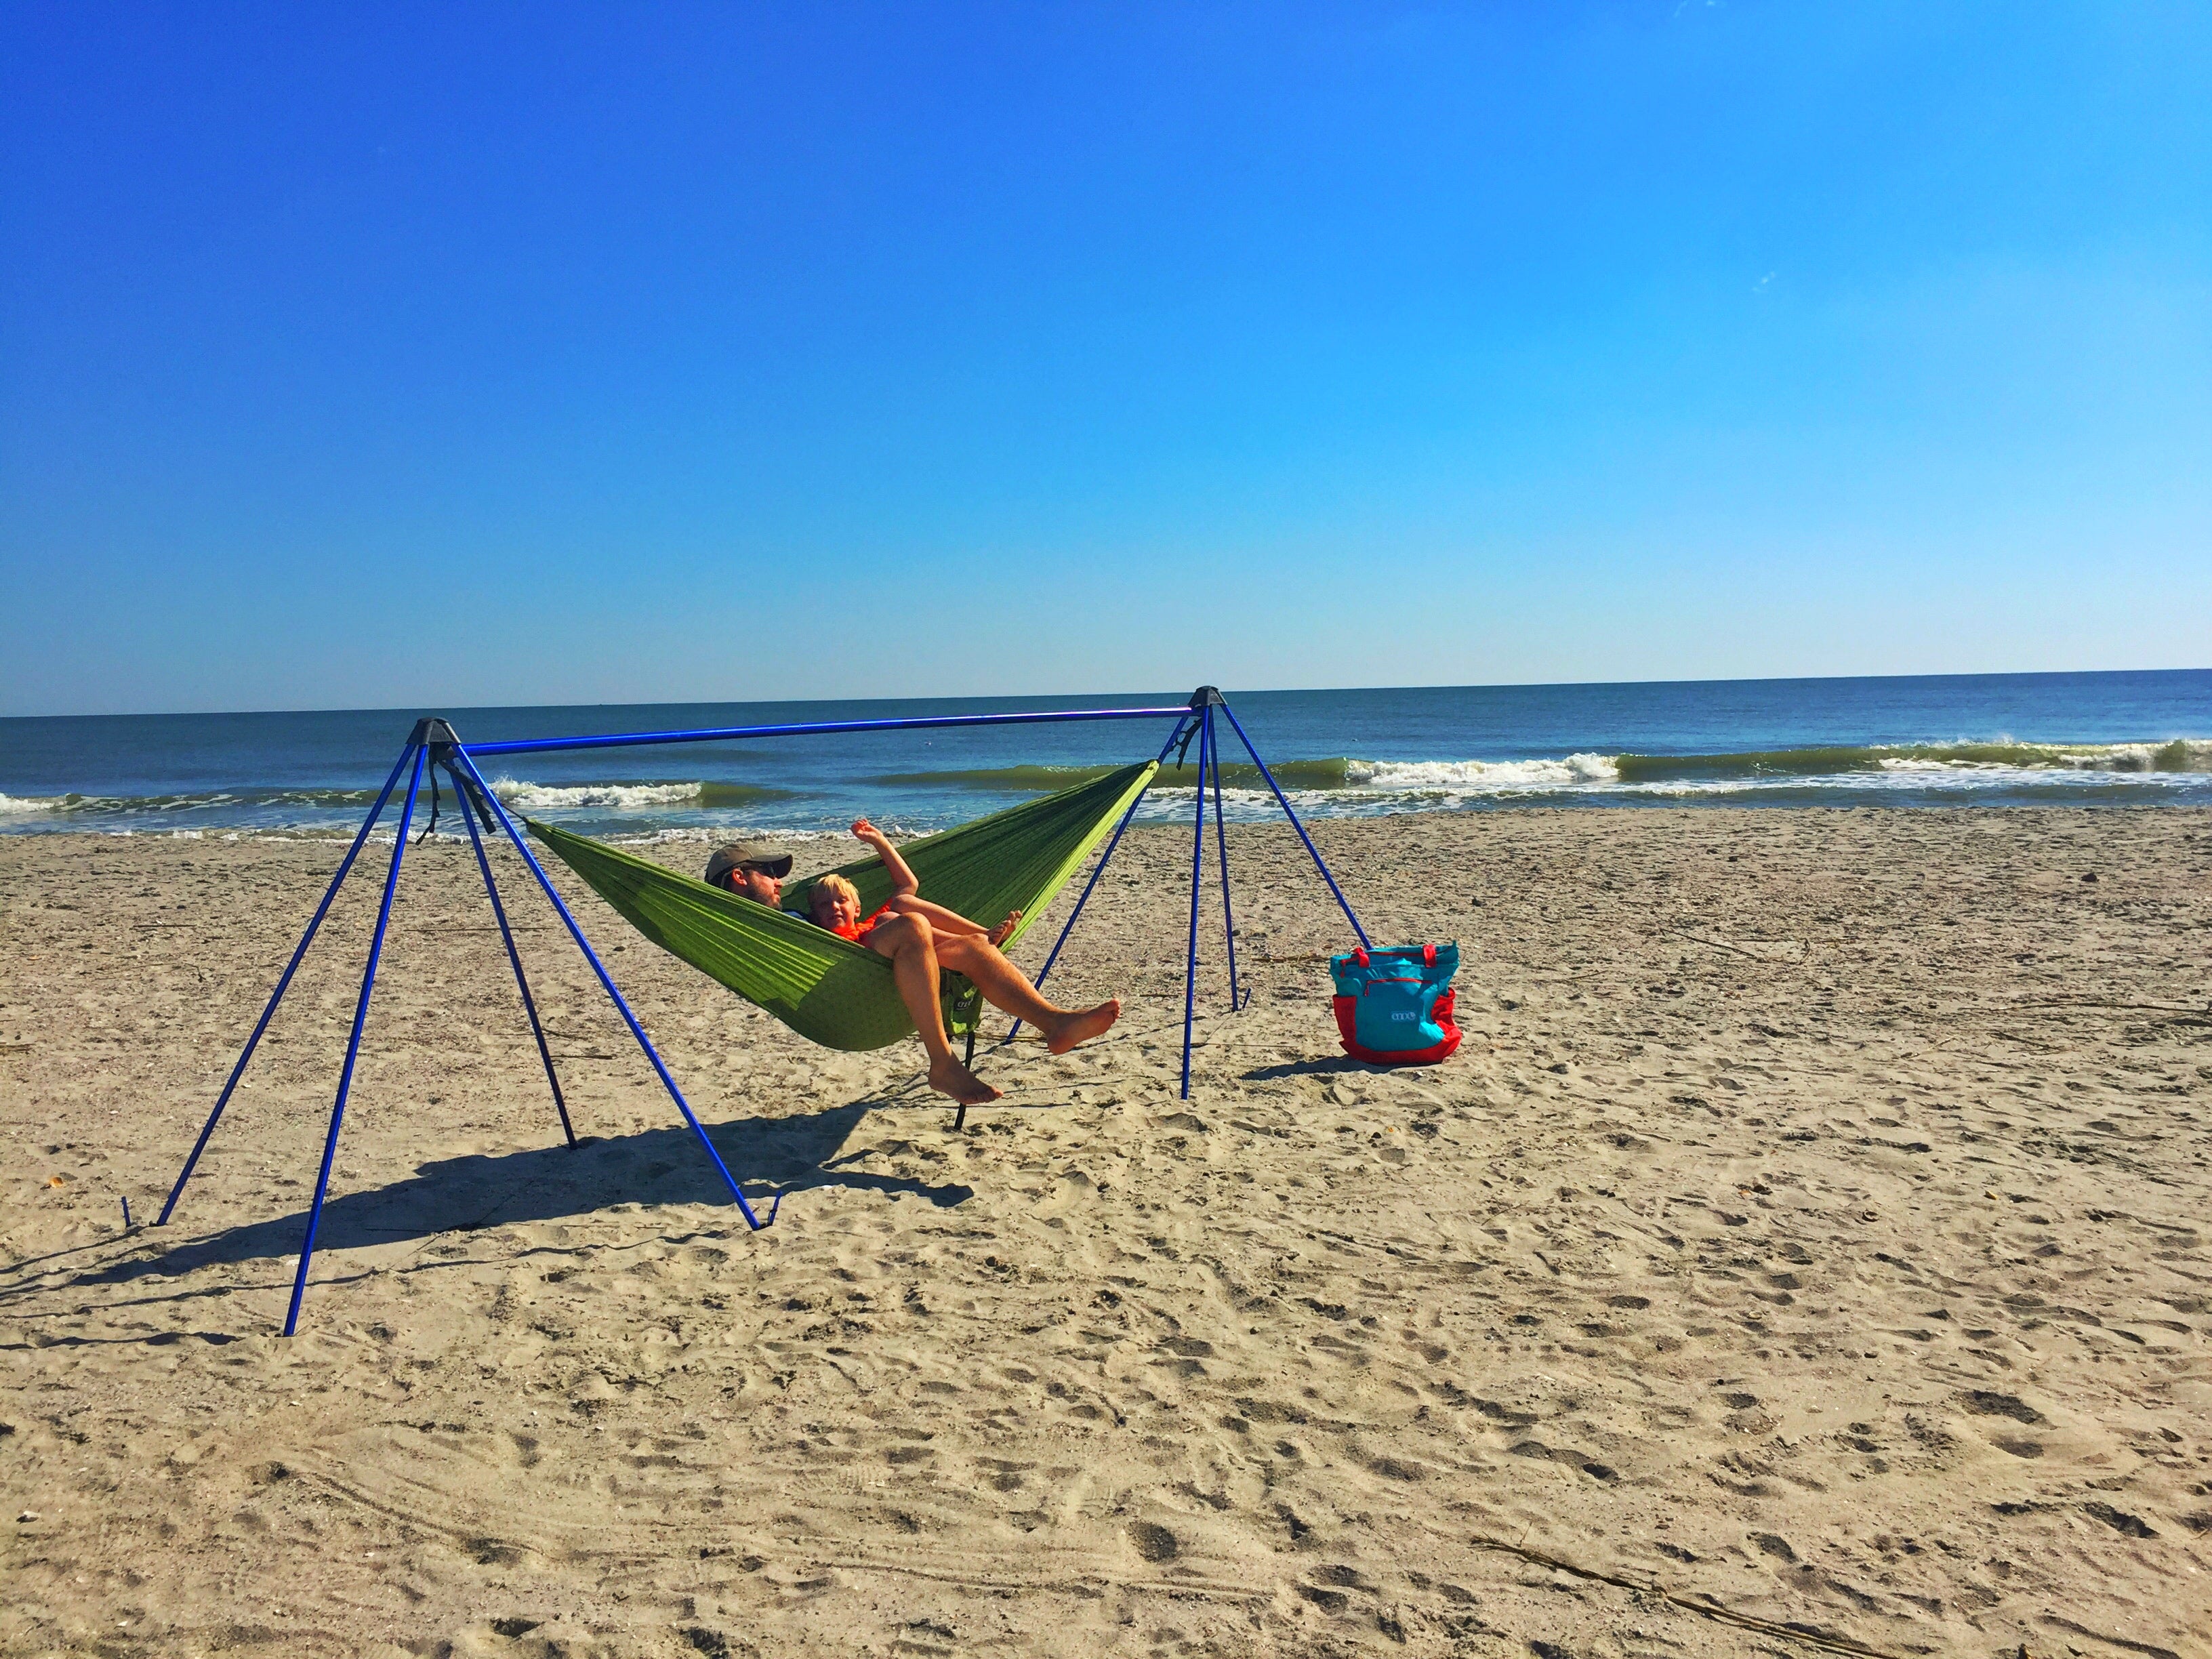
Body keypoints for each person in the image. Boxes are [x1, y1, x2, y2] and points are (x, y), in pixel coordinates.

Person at [702, 823, 1118, 1105]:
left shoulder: (795, 911)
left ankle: (1054, 1022)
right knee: (908, 921)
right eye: (770, 873)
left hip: (891, 963)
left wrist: (881, 843)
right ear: (741, 878)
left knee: (948, 936)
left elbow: (907, 887)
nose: (779, 882)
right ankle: (943, 1063)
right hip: (845, 982)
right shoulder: (752, 920)